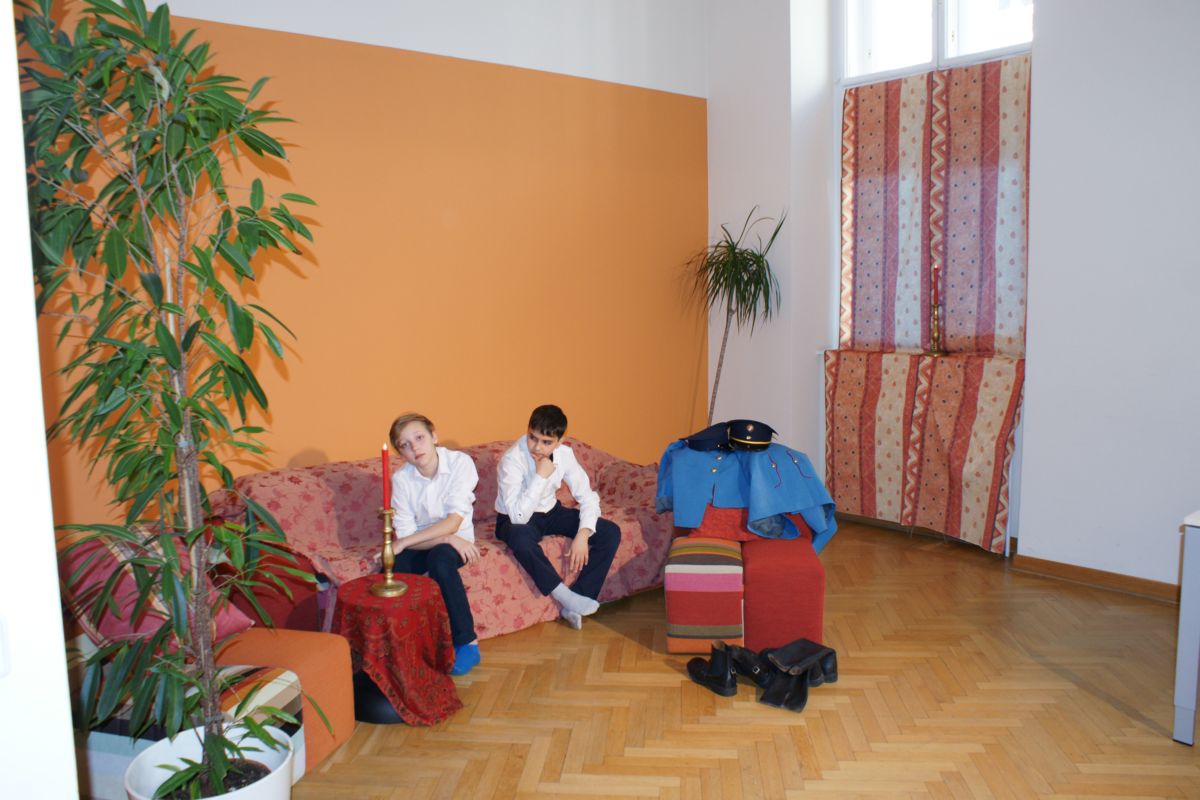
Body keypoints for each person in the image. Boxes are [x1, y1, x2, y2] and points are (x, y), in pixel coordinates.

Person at [494, 404, 622, 629]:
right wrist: (541, 477)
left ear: (560, 441)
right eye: (532, 438)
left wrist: (583, 534)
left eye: (546, 442)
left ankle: (577, 601)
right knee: (520, 539)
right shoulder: (512, 460)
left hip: (551, 512)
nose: (537, 447)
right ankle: (565, 595)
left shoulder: (565, 454)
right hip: (514, 519)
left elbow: (588, 497)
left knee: (610, 532)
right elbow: (518, 516)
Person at [389, 413, 482, 675]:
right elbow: (405, 533)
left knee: (440, 559)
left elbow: (453, 522)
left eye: (419, 438)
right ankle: (406, 642)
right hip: (427, 542)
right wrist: (445, 537)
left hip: (460, 542)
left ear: (434, 436)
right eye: (405, 445)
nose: (414, 447)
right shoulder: (401, 479)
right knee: (393, 566)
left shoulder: (460, 464)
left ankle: (467, 642)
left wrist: (448, 537)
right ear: (401, 452)